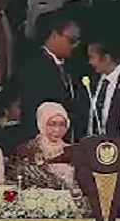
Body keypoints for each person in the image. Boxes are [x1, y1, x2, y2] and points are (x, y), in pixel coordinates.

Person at [19, 8, 82, 141]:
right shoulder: (35, 67)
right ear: (54, 35)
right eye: (71, 40)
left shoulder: (71, 66)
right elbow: (32, 110)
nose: (76, 45)